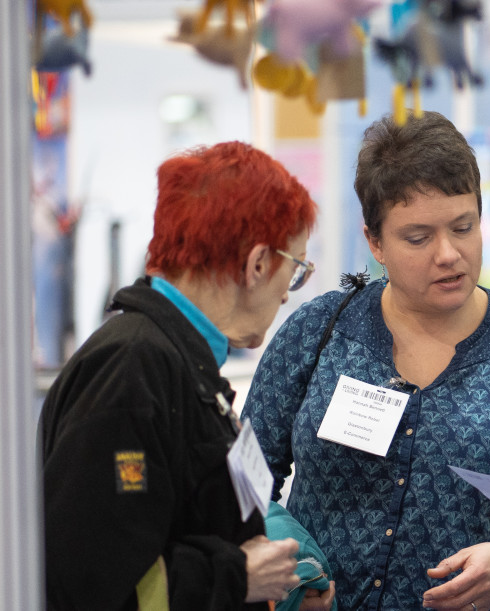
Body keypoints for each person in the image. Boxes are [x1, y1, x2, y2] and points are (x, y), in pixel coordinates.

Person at [241, 111, 490, 611]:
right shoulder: (319, 332)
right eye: (418, 238)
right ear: (375, 242)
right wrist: (283, 572)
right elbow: (242, 480)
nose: (448, 254)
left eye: (463, 227)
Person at [39, 141, 335, 611]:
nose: (286, 296)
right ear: (258, 264)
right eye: (295, 271)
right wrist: (236, 578)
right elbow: (82, 578)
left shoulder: (179, 363)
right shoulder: (132, 369)